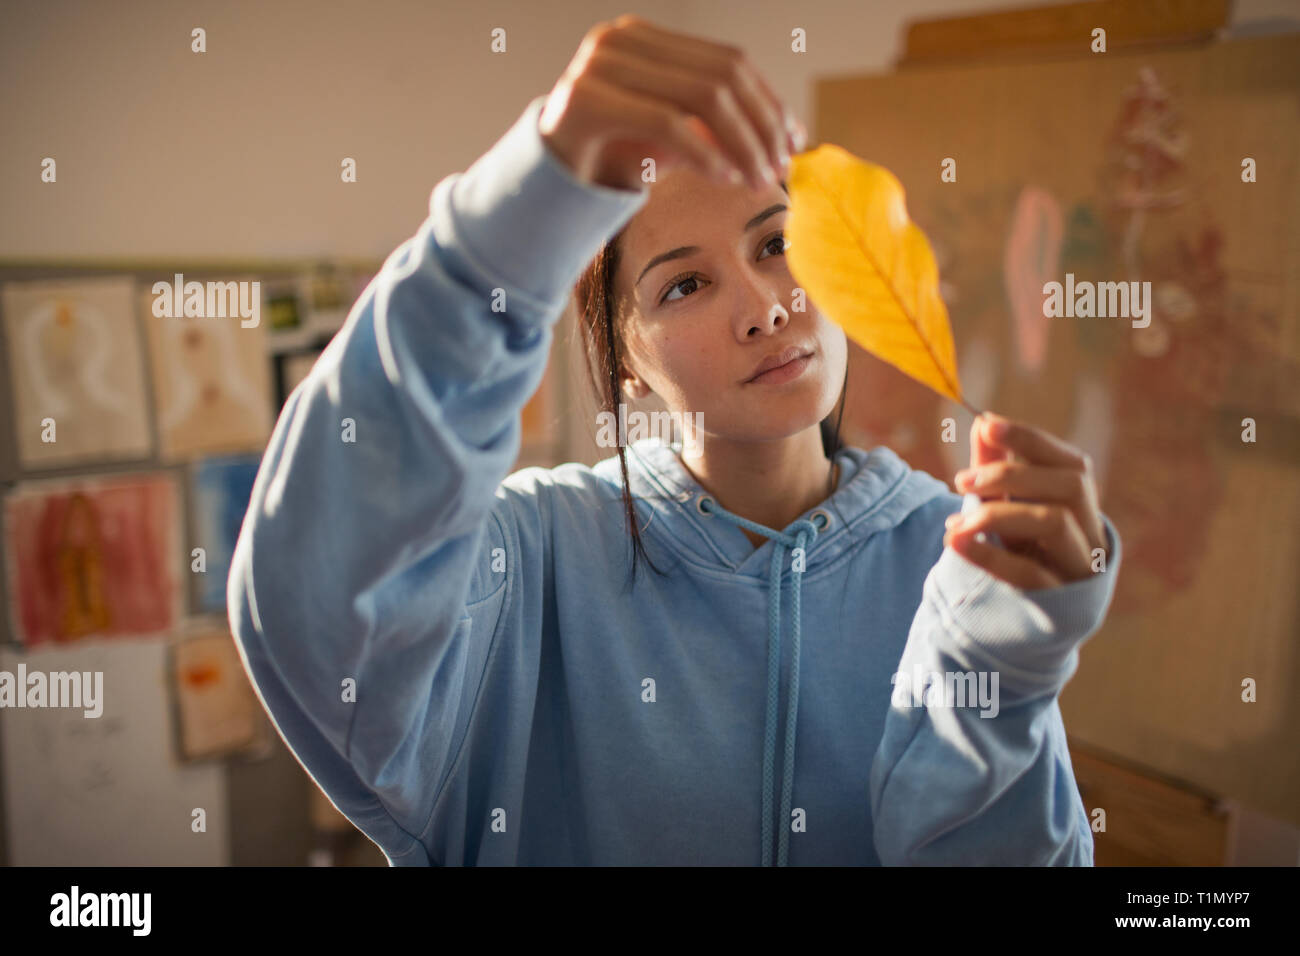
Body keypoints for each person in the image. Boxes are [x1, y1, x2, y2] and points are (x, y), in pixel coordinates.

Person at [228, 15, 1121, 866]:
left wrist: (999, 672)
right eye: (685, 286)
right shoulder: (529, 558)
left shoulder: (955, 557)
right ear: (624, 362)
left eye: (777, 242)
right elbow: (315, 603)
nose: (765, 304)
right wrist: (504, 229)